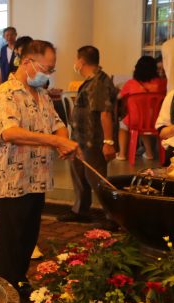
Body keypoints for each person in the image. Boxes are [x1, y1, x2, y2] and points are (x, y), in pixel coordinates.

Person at [0, 40, 78, 303]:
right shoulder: (6, 93)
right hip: (12, 181)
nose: (48, 75)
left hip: (37, 179)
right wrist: (55, 142)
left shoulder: (40, 94)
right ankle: (5, 295)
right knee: (10, 243)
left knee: (28, 240)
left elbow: (57, 123)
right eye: (46, 69)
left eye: (51, 70)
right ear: (27, 63)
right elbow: (10, 132)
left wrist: (63, 138)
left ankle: (20, 281)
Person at [62, 46, 118, 223]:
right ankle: (80, 210)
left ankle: (113, 217)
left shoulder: (99, 81)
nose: (75, 64)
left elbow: (105, 113)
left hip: (93, 140)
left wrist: (108, 142)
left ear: (81, 61)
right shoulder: (90, 80)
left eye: (75, 60)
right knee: (79, 175)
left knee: (97, 179)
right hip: (80, 138)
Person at [118, 56, 167, 161]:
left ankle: (122, 154)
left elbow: (119, 97)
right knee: (145, 123)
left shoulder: (131, 83)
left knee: (123, 125)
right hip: (157, 119)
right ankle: (149, 153)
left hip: (136, 120)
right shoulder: (162, 83)